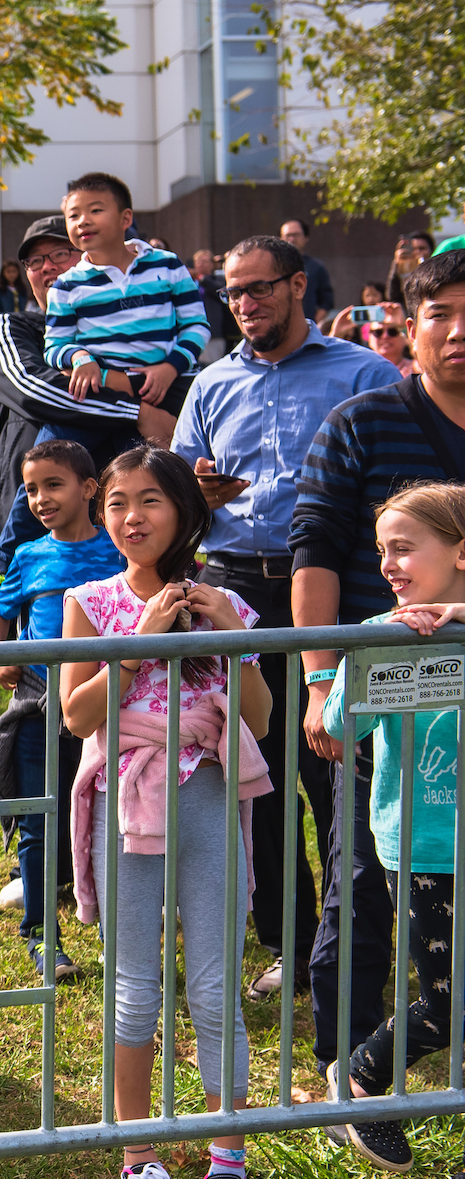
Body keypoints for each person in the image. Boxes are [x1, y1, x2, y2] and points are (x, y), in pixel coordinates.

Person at [171, 233, 402, 1006]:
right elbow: (180, 481)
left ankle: (354, 944)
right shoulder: (208, 385)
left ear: (298, 285)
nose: (245, 304)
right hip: (234, 589)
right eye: (233, 292)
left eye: (260, 288)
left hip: (337, 589)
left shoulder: (364, 374)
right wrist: (195, 490)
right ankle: (294, 947)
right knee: (256, 776)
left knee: (338, 771)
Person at [60, 446, 270, 1179]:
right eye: (116, 502)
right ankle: (138, 1154)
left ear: (184, 509)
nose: (132, 517)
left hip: (210, 792)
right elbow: (78, 718)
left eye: (150, 500)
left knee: (217, 986)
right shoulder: (91, 600)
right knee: (134, 984)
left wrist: (227, 635)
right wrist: (142, 641)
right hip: (126, 797)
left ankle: (228, 1166)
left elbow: (257, 716)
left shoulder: (230, 603)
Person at [291, 249, 465, 1091]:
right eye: (441, 313)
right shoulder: (360, 422)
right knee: (358, 883)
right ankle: (352, 1079)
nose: (458, 330)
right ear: (409, 323)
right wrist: (323, 680)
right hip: (382, 699)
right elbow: (315, 553)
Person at [0, 216, 168, 586]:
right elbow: (36, 389)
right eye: (35, 261)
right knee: (35, 639)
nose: (48, 267)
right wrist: (136, 412)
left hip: (121, 531)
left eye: (61, 253)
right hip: (34, 535)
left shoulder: (131, 329)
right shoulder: (13, 327)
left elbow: (168, 388)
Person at [0, 438, 125, 974]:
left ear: (90, 489)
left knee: (108, 824)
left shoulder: (119, 552)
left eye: (53, 485)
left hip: (106, 708)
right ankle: (43, 935)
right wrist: (3, 653)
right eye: (30, 489)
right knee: (41, 820)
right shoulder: (27, 555)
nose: (40, 498)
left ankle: (118, 936)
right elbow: (0, 613)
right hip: (39, 706)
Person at [45, 173, 209, 418]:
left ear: (125, 218)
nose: (83, 221)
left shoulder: (167, 265)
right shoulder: (66, 286)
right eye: (73, 215)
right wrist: (80, 358)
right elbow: (54, 346)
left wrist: (171, 367)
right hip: (105, 393)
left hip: (172, 384)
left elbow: (196, 325)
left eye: (95, 210)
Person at [279, 220, 336, 322]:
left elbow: (327, 300)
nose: (291, 239)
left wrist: (314, 321)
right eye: (288, 235)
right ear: (280, 238)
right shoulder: (273, 266)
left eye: (296, 235)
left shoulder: (316, 266)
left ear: (306, 237)